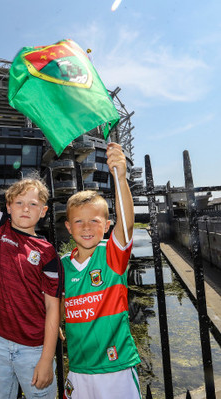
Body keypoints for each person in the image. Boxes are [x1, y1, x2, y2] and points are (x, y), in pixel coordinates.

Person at [0, 111, 63, 399]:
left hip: (33, 348)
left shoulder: (47, 252)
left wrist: (46, 359)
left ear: (43, 211)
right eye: (19, 202)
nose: (25, 208)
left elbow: (53, 309)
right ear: (8, 205)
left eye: (33, 204)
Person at [61, 142, 141, 399]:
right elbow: (58, 302)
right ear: (68, 228)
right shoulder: (62, 264)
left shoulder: (111, 255)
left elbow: (127, 223)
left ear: (106, 225)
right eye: (78, 221)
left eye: (94, 221)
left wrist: (120, 178)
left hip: (115, 368)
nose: (86, 227)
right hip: (78, 368)